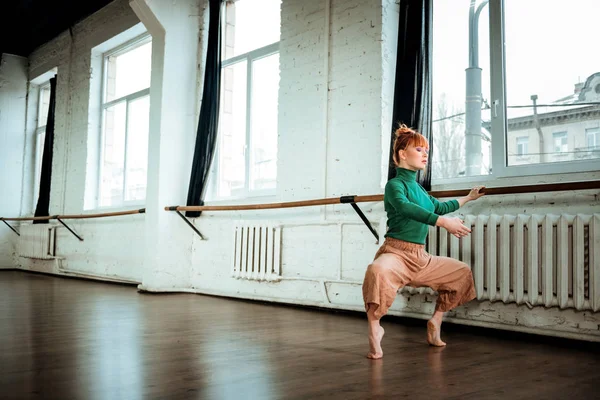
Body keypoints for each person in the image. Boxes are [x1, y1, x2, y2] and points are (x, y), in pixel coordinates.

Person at [362, 124, 485, 359]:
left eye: (426, 150)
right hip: (396, 253)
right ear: (402, 154)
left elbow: (439, 206)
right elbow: (405, 208)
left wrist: (468, 198)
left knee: (461, 272)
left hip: (421, 257)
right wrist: (443, 223)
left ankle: (435, 322)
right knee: (376, 271)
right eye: (419, 149)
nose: (425, 154)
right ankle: (374, 328)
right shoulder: (394, 185)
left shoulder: (419, 188)